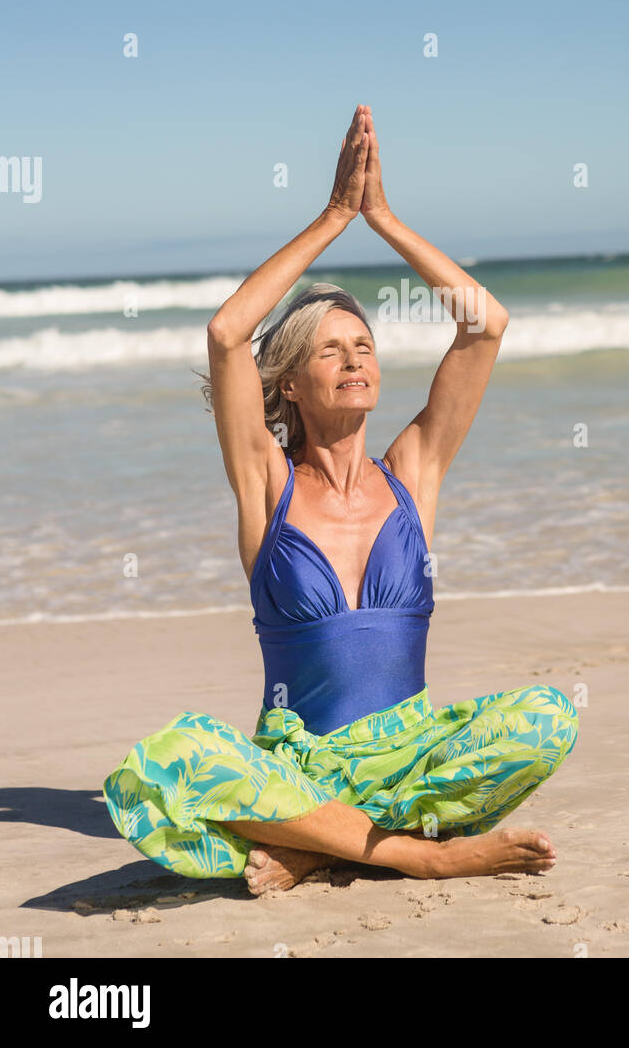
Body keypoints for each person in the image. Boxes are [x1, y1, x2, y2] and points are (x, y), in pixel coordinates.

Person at [103, 106, 579, 895]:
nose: (355, 357)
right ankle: (415, 852)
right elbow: (227, 334)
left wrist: (382, 217)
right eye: (331, 348)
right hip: (300, 769)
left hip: (415, 755)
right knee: (160, 765)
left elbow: (485, 326)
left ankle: (322, 848)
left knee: (549, 716)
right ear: (289, 383)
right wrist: (333, 216)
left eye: (364, 345)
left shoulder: (413, 474)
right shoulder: (267, 484)